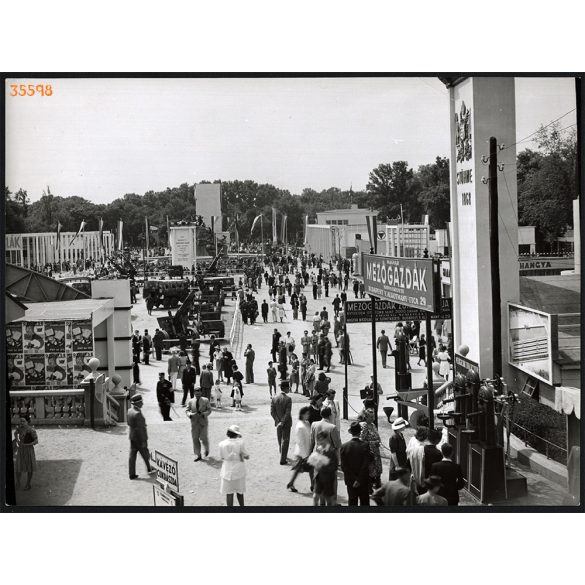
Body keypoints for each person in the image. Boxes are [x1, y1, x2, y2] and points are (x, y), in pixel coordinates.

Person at [340, 421, 371, 506]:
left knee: (352, 502)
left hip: (350, 481)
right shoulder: (365, 445)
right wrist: (359, 480)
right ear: (360, 432)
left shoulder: (344, 446)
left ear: (351, 432)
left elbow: (344, 466)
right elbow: (366, 465)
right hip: (363, 480)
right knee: (364, 503)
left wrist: (354, 479)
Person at [218, 425, 249, 507]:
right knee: (240, 492)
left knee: (229, 493)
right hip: (239, 470)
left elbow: (222, 457)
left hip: (227, 470)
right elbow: (247, 456)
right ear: (236, 434)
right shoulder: (240, 443)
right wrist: (241, 455)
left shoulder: (221, 444)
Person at [127, 394, 156, 480]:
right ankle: (149, 469)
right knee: (145, 453)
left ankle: (131, 474)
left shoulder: (129, 410)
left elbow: (129, 423)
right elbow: (141, 429)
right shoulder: (138, 413)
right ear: (138, 403)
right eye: (141, 402)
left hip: (132, 436)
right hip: (139, 438)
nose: (142, 403)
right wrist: (143, 440)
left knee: (132, 455)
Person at [287, 406, 312, 493]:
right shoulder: (300, 426)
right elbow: (300, 442)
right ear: (302, 414)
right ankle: (313, 486)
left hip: (306, 451)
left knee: (299, 469)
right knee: (308, 469)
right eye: (307, 414)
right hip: (302, 452)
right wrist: (305, 455)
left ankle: (291, 483)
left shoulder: (307, 423)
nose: (308, 415)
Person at [309, 430, 338, 506]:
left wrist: (323, 465)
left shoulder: (331, 451)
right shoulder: (318, 449)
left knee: (328, 500)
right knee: (315, 497)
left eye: (321, 439)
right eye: (318, 439)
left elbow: (334, 466)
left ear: (326, 439)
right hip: (319, 478)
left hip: (328, 479)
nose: (319, 441)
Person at [186, 387, 212, 461]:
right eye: (196, 393)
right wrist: (190, 414)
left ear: (201, 393)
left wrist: (204, 414)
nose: (197, 395)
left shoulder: (205, 400)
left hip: (203, 423)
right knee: (195, 439)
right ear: (194, 393)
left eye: (199, 393)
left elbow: (209, 410)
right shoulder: (190, 401)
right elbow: (187, 410)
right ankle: (198, 455)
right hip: (194, 423)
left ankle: (206, 449)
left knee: (204, 438)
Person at [360, 407, 383, 490]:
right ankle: (369, 487)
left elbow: (377, 436)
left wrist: (378, 441)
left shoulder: (373, 425)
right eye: (371, 417)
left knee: (378, 468)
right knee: (370, 469)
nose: (373, 419)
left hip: (376, 451)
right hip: (369, 452)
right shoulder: (364, 426)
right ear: (366, 417)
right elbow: (362, 440)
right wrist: (373, 443)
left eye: (373, 416)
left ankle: (378, 483)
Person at [14, 415, 38, 490]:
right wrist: (17, 440)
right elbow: (15, 433)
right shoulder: (19, 429)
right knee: (18, 466)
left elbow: (36, 441)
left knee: (29, 467)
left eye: (23, 421)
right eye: (20, 421)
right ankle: (18, 482)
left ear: (27, 422)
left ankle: (28, 484)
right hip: (21, 450)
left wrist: (28, 444)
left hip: (29, 450)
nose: (21, 423)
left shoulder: (31, 430)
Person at [270, 381, 292, 465]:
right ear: (286, 388)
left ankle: (281, 453)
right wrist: (282, 422)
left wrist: (278, 421)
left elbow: (272, 412)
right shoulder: (288, 399)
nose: (289, 389)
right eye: (288, 387)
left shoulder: (274, 398)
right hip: (285, 423)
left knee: (279, 439)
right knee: (285, 441)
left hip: (278, 422)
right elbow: (288, 412)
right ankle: (283, 459)